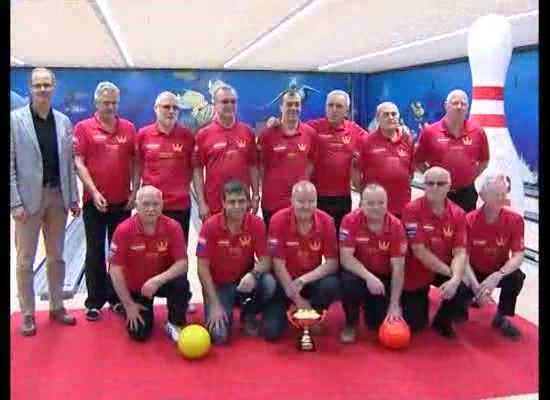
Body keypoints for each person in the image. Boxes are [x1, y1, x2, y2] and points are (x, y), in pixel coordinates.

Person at [11, 67, 80, 336]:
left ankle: (57, 306)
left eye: (46, 85)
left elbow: (69, 164)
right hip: (28, 199)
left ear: (53, 87)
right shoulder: (15, 120)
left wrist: (73, 197)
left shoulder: (63, 121)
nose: (42, 89)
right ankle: (28, 313)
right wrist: (15, 202)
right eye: (38, 85)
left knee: (57, 258)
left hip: (57, 197)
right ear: (30, 88)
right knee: (25, 261)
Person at [74, 81, 137, 321]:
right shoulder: (84, 128)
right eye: (105, 102)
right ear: (96, 103)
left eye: (113, 103)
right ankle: (95, 301)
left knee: (119, 253)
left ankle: (117, 298)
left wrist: (135, 190)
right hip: (94, 201)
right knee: (95, 251)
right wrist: (93, 190)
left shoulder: (129, 128)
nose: (110, 107)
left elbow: (135, 161)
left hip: (123, 201)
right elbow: (78, 162)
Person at [267, 90, 366, 232]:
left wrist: (397, 130)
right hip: (314, 197)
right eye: (330, 105)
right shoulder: (312, 127)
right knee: (313, 239)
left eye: (339, 106)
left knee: (337, 241)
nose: (333, 110)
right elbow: (291, 126)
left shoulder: (355, 131)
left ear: (346, 111)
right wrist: (275, 122)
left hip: (342, 198)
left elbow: (375, 140)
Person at [196, 180, 276, 344]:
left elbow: (266, 260)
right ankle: (224, 308)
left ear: (248, 202)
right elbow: (202, 269)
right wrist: (215, 304)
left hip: (244, 282)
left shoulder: (257, 223)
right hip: (219, 286)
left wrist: (253, 274)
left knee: (269, 283)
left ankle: (248, 314)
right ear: (223, 204)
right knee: (218, 337)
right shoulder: (209, 226)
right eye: (232, 202)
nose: (237, 206)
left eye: (241, 201)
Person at [109, 186, 192, 342]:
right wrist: (129, 305)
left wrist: (157, 280)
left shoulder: (173, 227)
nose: (151, 209)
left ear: (162, 205)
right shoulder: (124, 230)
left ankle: (175, 323)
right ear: (136, 205)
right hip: (135, 287)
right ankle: (124, 306)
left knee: (181, 284)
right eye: (146, 204)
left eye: (155, 204)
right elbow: (114, 270)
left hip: (160, 282)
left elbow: (183, 263)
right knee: (139, 334)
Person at [262, 181, 340, 341]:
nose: (306, 206)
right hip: (284, 281)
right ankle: (290, 307)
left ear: (317, 201)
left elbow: (332, 262)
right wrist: (297, 299)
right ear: (291, 200)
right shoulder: (278, 220)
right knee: (271, 333)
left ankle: (315, 312)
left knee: (332, 284)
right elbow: (278, 264)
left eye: (311, 201)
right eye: (301, 201)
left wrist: (304, 280)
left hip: (310, 280)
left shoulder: (327, 221)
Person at [401, 167, 471, 338]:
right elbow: (419, 251)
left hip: (442, 266)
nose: (435, 188)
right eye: (430, 183)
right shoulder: (412, 209)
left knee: (463, 286)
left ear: (449, 186)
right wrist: (451, 274)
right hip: (416, 270)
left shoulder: (458, 214)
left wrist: (455, 280)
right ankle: (415, 298)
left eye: (441, 184)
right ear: (423, 185)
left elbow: (460, 252)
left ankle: (443, 321)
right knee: (415, 325)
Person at [339, 184, 407, 343]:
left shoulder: (397, 226)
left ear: (387, 203)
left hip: (384, 278)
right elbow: (346, 258)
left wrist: (394, 304)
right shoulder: (350, 221)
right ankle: (351, 323)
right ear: (361, 204)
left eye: (380, 203)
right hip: (359, 274)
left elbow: (398, 267)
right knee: (348, 282)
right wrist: (368, 277)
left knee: (375, 324)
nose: (376, 207)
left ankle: (373, 305)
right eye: (370, 203)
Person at [463, 175, 526, 338]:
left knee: (516, 277)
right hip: (474, 270)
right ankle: (463, 303)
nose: (500, 199)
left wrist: (499, 275)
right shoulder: (469, 220)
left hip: (497, 270)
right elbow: (463, 258)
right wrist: (476, 287)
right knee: (458, 279)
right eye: (496, 194)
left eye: (503, 195)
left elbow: (518, 255)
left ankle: (502, 317)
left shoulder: (515, 220)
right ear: (483, 196)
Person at [192, 84, 260, 222]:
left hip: (241, 204)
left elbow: (253, 167)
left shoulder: (248, 132)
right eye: (224, 101)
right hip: (214, 205)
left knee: (242, 242)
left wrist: (255, 196)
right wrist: (201, 203)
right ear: (214, 104)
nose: (229, 105)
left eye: (232, 101)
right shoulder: (203, 135)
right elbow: (197, 170)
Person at [415, 89, 490, 212]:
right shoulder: (430, 132)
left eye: (463, 104)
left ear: (467, 107)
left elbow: (484, 161)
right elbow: (418, 161)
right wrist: (434, 179)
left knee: (465, 229)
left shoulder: (478, 132)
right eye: (455, 103)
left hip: (467, 193)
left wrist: (471, 177)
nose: (459, 107)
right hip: (438, 192)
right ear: (446, 106)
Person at [135, 91, 195, 243]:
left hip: (179, 205)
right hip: (150, 207)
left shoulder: (187, 136)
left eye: (175, 108)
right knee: (150, 255)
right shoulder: (143, 135)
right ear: (156, 109)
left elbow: (194, 169)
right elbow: (137, 166)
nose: (171, 111)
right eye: (166, 107)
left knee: (178, 254)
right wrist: (135, 193)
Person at [258, 89, 316, 228]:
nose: (293, 108)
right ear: (281, 107)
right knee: (273, 246)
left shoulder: (310, 134)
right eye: (289, 104)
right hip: (272, 202)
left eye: (297, 104)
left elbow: (311, 162)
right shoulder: (267, 134)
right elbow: (260, 165)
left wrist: (302, 182)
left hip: (301, 203)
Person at [352, 102, 414, 219]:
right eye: (386, 114)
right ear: (378, 119)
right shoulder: (365, 141)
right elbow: (355, 175)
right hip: (372, 207)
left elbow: (410, 173)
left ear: (398, 117)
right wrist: (366, 195)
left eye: (393, 114)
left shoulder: (408, 141)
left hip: (401, 207)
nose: (390, 117)